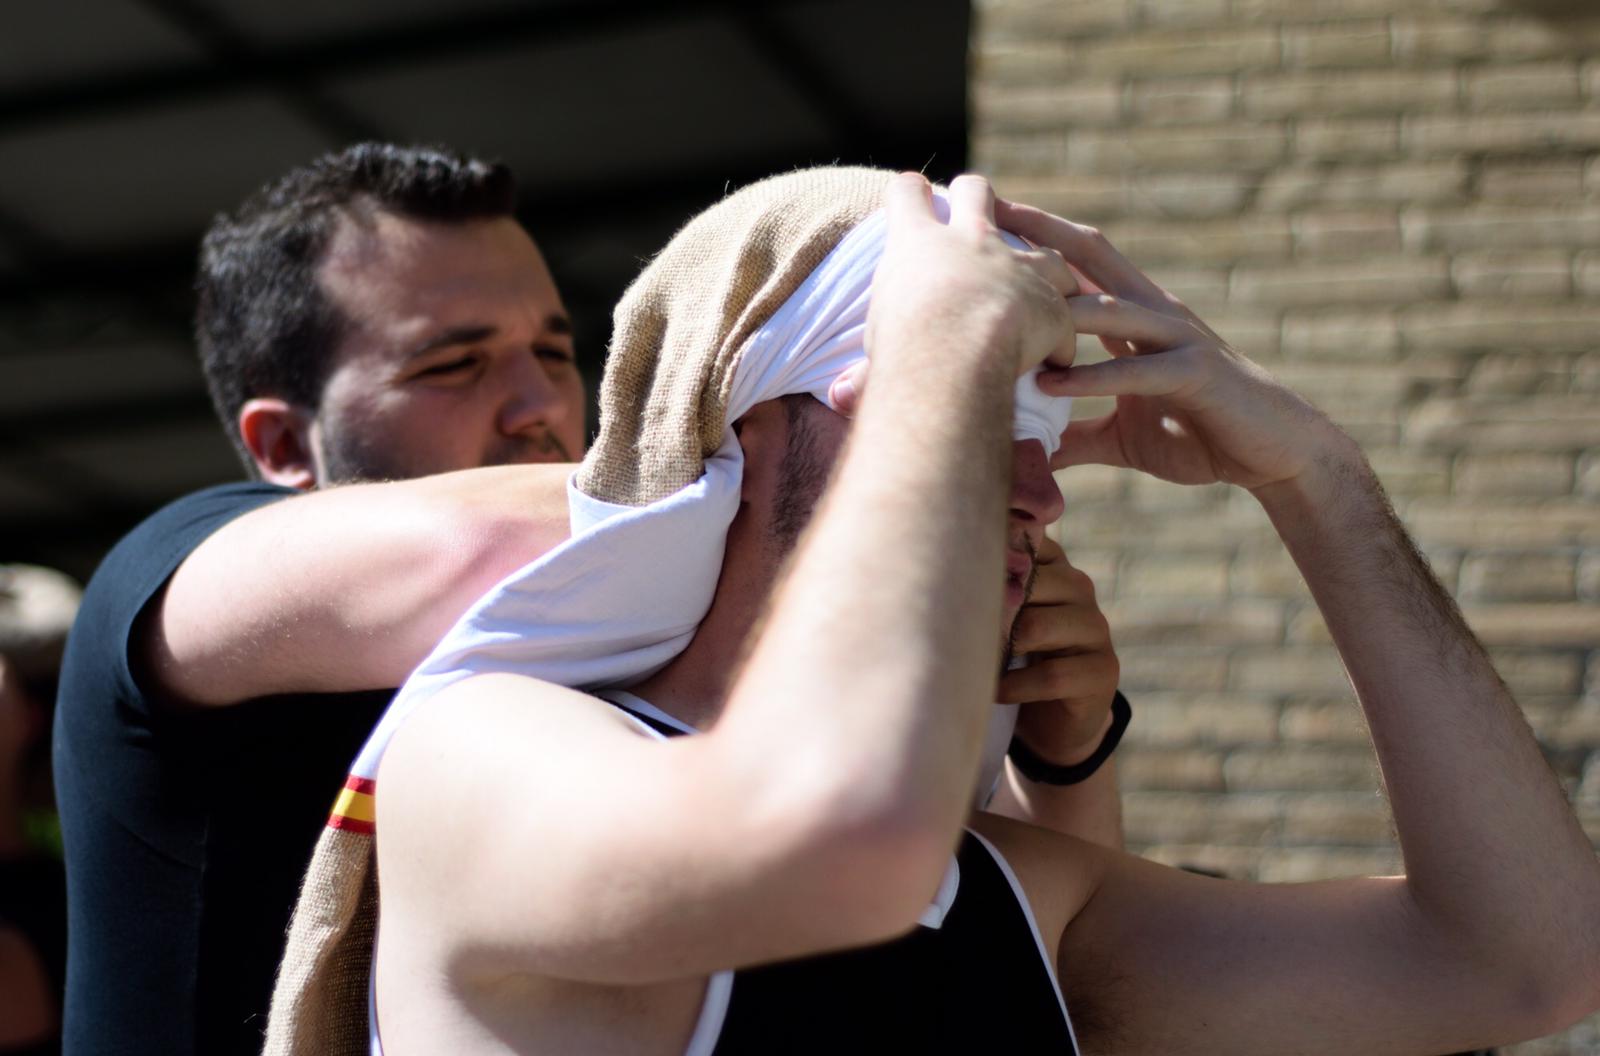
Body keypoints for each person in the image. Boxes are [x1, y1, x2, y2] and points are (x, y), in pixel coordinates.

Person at [293, 168, 1598, 1055]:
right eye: (975, 396)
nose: (1037, 486)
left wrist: (1321, 478)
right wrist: (947, 359)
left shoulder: (1019, 897)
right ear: (738, 424)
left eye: (1036, 412)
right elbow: (839, 838)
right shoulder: (480, 756)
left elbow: (1527, 961)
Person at [53, 145, 1124, 1055]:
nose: (540, 404)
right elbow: (466, 545)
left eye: (555, 352)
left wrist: (1057, 745)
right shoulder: (177, 560)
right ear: (282, 444)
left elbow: (1036, 958)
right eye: (456, 364)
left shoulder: (619, 635)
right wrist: (904, 437)